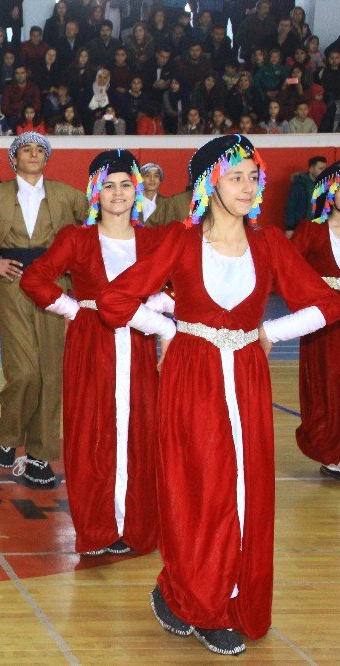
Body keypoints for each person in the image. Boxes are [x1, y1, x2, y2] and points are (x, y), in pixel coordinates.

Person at [97, 134, 340, 656]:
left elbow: (325, 303)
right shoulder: (181, 242)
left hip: (248, 379)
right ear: (211, 182)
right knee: (200, 490)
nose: (249, 186)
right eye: (237, 177)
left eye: (254, 177)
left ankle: (227, 598)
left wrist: (273, 332)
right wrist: (169, 330)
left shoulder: (271, 242)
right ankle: (196, 599)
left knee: (248, 492)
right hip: (192, 378)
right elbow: (115, 300)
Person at [20, 149, 168, 556]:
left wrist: (153, 307)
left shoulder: (154, 239)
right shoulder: (77, 238)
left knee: (141, 431)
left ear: (136, 189)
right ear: (95, 192)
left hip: (139, 347)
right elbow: (35, 278)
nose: (117, 194)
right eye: (108, 186)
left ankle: (135, 527)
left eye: (125, 185)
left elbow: (179, 284)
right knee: (92, 433)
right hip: (92, 345)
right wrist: (73, 308)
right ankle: (97, 528)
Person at [0, 132, 85, 485]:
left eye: (41, 150)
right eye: (27, 149)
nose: (34, 154)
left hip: (55, 288)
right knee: (24, 372)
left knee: (51, 373)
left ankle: (40, 456)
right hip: (13, 286)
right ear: (14, 158)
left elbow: (93, 232)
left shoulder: (68, 196)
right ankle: (8, 436)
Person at [291, 161, 340, 480]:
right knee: (329, 387)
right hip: (325, 327)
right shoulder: (311, 229)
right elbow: (288, 272)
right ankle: (333, 452)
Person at [285, 156, 327, 236]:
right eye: (321, 169)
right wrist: (290, 228)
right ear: (311, 169)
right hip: (302, 228)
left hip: (321, 228)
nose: (324, 171)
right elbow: (290, 207)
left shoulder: (326, 185)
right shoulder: (299, 185)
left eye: (325, 169)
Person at [140, 162, 170, 226]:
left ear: (160, 180)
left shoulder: (167, 204)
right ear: (141, 179)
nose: (152, 179)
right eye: (147, 175)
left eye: (156, 176)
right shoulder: (132, 202)